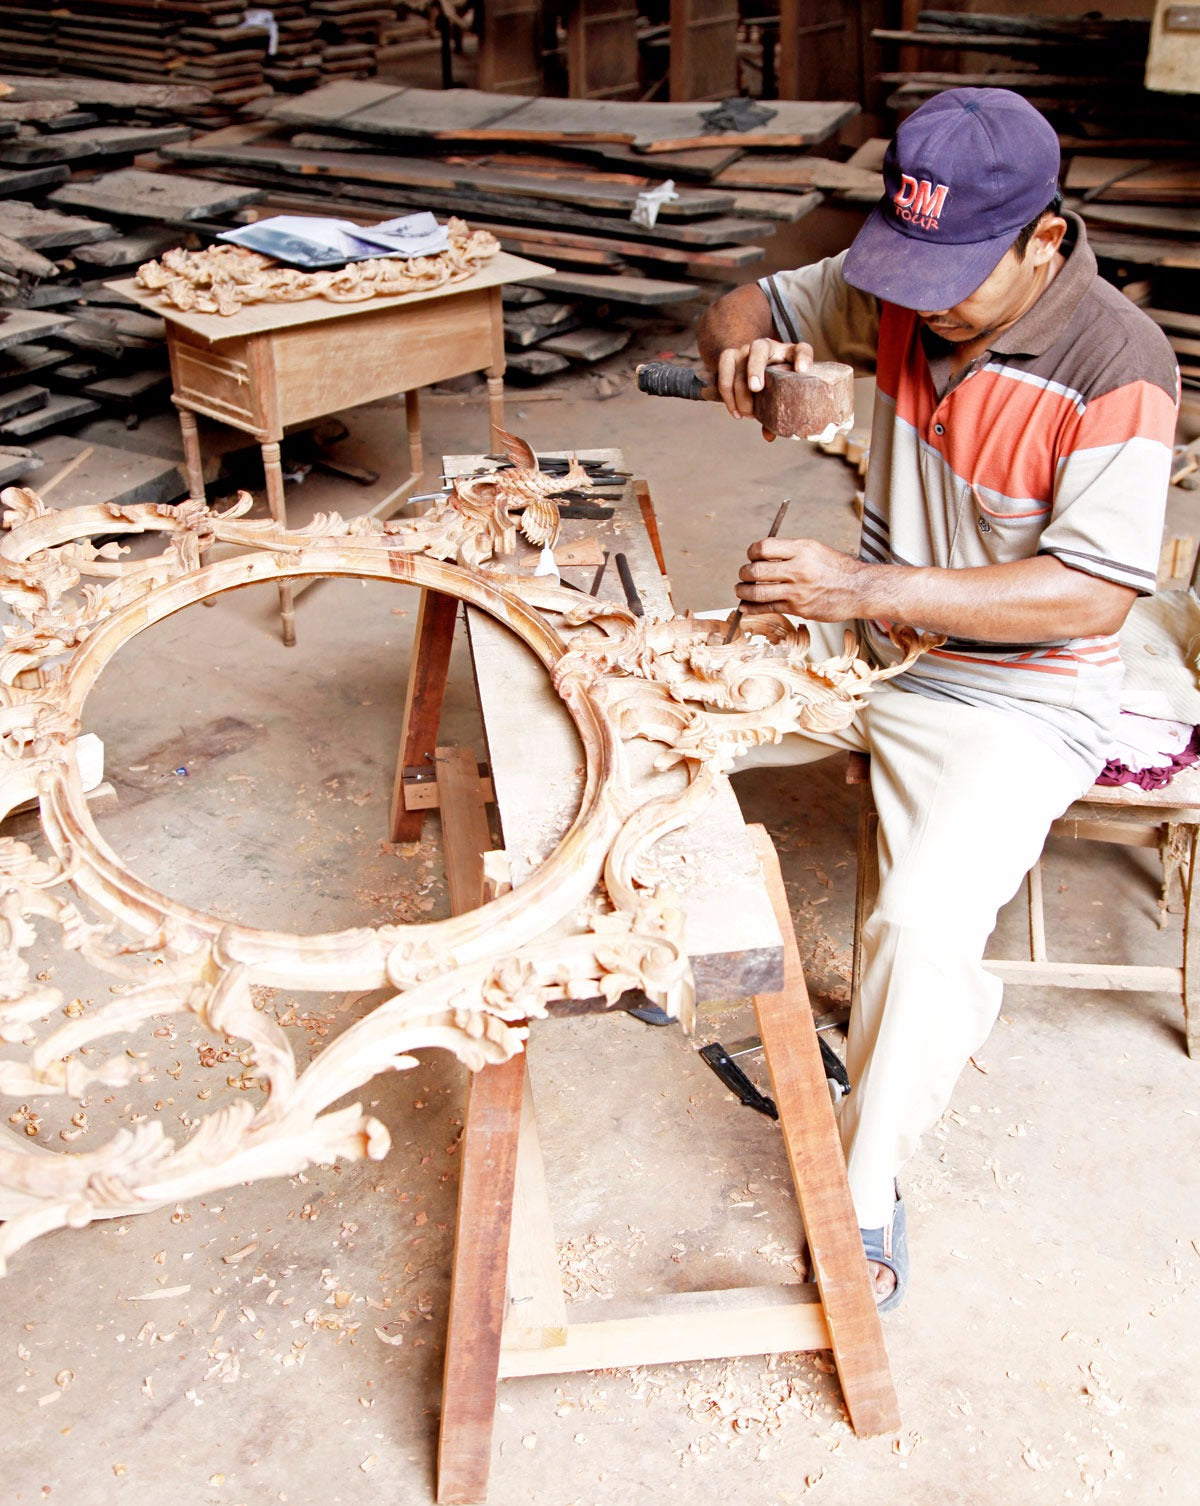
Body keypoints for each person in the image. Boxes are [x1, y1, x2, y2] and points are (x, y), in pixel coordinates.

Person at [696, 87, 1179, 1311]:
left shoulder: (1120, 368)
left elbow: (1089, 601)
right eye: (906, 268)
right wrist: (733, 344)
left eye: (955, 273)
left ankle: (864, 1189)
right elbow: (755, 295)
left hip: (1015, 699)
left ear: (1046, 243)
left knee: (915, 926)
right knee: (650, 703)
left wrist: (860, 585)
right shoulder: (901, 286)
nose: (918, 302)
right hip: (868, 649)